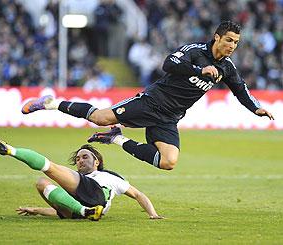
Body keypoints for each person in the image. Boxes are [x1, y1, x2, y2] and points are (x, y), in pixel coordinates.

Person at [21, 21, 274, 171]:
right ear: (217, 37)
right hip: (152, 101)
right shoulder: (195, 52)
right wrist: (199, 70)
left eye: (236, 43)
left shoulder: (227, 68)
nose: (232, 46)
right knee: (100, 117)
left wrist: (256, 109)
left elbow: (241, 89)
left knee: (168, 162)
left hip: (170, 117)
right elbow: (168, 64)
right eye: (229, 40)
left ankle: (117, 140)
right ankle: (51, 103)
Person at [0, 134, 162, 220]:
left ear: (97, 161)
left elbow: (138, 194)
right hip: (83, 208)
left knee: (49, 168)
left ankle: (10, 150)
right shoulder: (76, 182)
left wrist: (152, 214)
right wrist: (37, 210)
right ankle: (86, 212)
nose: (80, 160)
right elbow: (61, 210)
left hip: (96, 193)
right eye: (77, 159)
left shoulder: (109, 177)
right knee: (42, 183)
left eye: (85, 157)